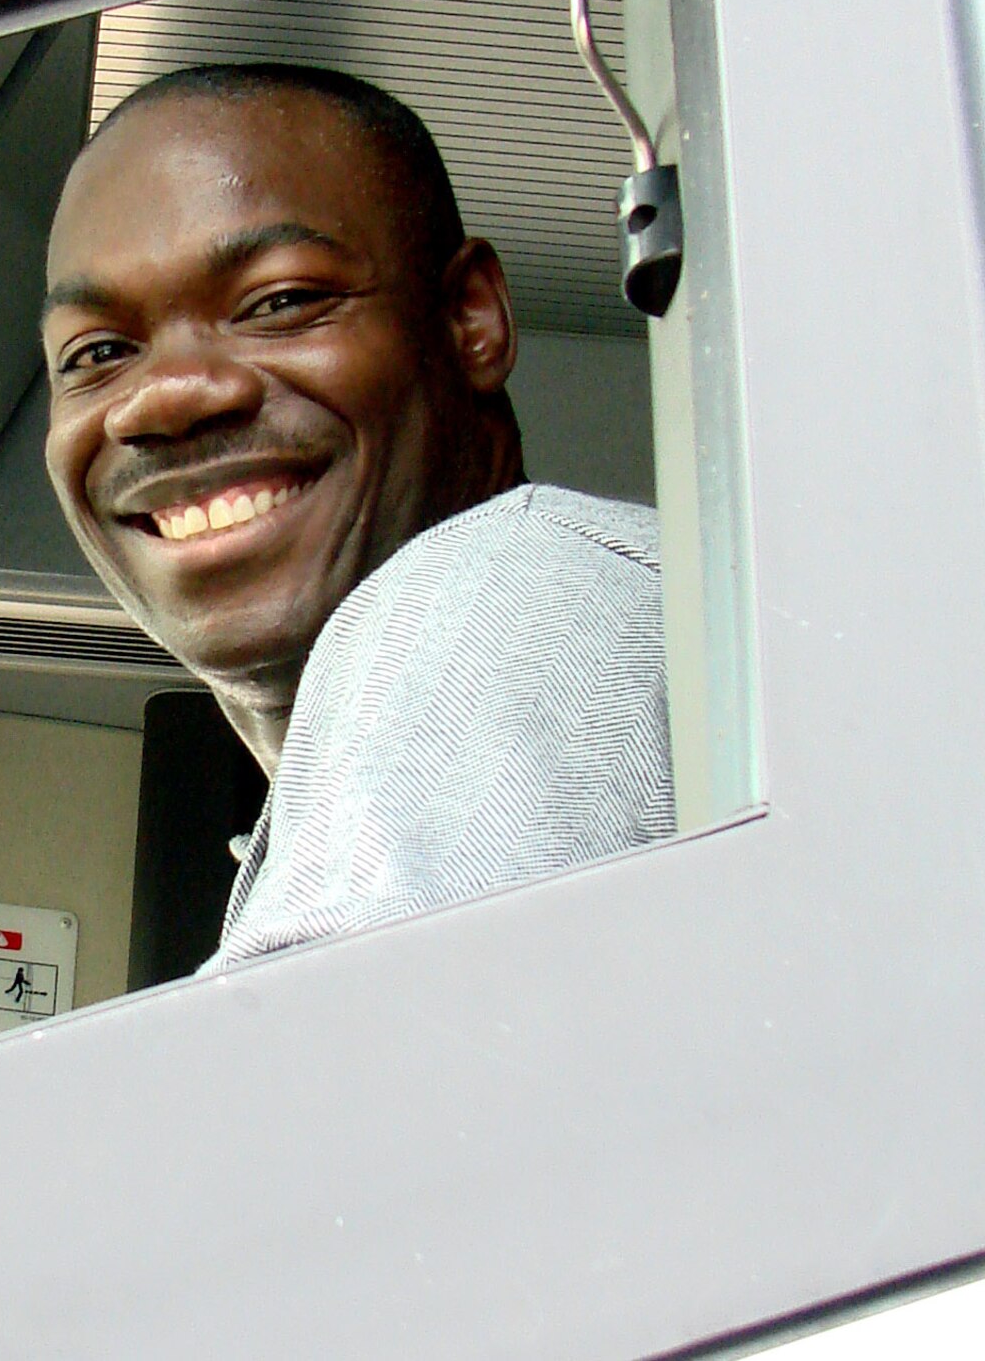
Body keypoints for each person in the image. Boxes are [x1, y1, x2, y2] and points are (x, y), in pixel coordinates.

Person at [39, 63, 673, 967]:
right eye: (98, 352)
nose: (164, 399)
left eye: (281, 301)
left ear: (469, 318)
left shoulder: (491, 597)